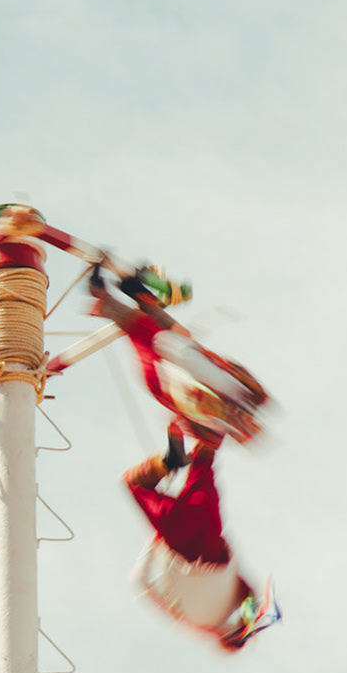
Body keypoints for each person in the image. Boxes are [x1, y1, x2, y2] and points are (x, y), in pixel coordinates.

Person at [124, 425, 279, 652]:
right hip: (180, 539)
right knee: (134, 483)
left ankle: (212, 428)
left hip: (210, 527)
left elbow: (249, 596)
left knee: (204, 457)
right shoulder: (196, 622)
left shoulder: (230, 601)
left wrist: (251, 617)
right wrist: (155, 543)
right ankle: (170, 461)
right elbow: (138, 582)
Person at [87, 265, 270, 444]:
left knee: (152, 333)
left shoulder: (215, 422)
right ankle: (132, 291)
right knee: (174, 335)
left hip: (168, 376)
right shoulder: (241, 398)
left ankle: (107, 295)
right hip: (182, 366)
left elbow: (190, 415)